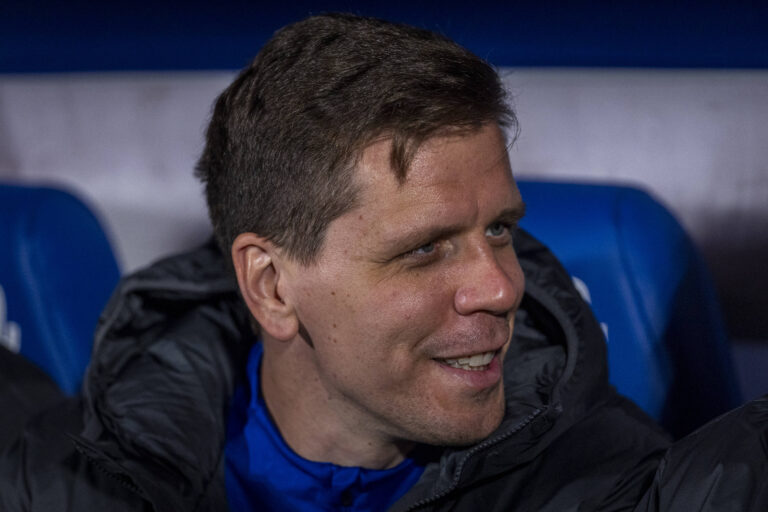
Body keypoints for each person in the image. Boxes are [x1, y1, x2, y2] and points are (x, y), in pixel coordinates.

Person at [1, 12, 767, 512]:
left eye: (500, 229)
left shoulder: (610, 486)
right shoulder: (61, 480)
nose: (502, 287)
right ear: (272, 287)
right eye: (425, 249)